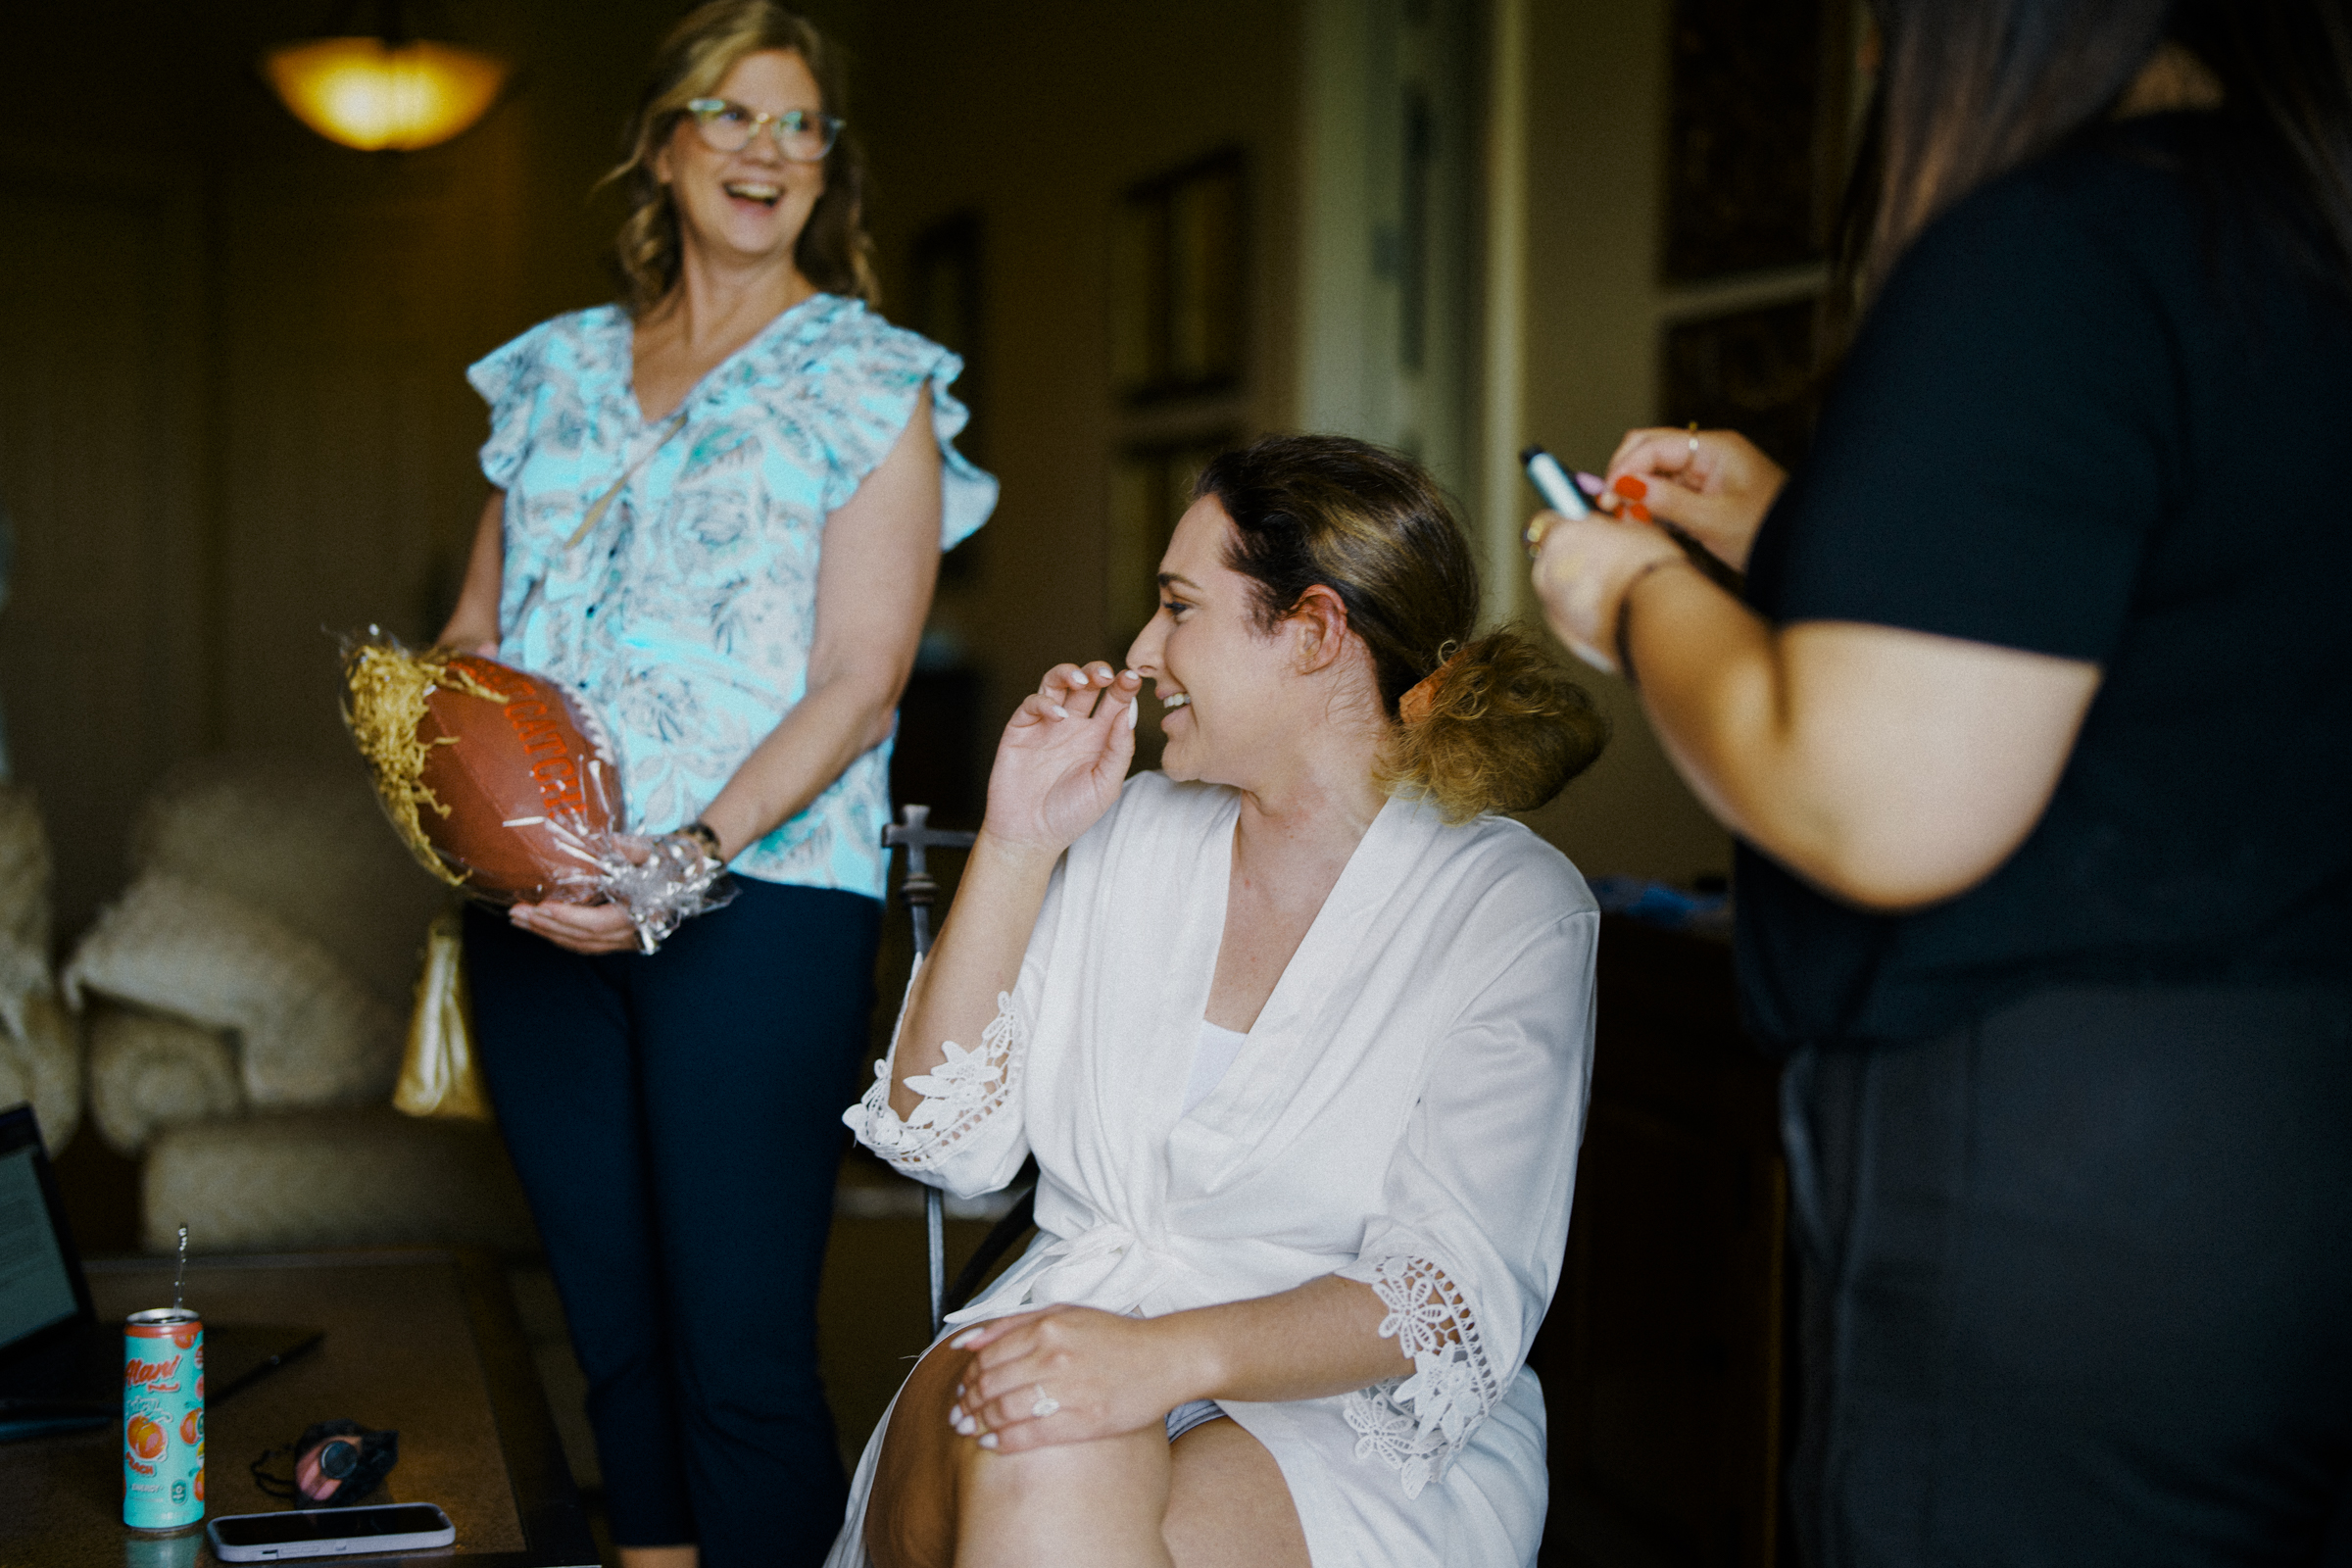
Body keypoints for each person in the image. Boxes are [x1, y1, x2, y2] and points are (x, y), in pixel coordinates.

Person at [1528, 2, 2352, 1562]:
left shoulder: (2051, 247)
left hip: (2073, 1193)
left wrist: (1631, 595)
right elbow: (2150, 646)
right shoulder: (2293, 232)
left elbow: (1872, 792)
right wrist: (1807, 539)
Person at [832, 435, 1608, 1568]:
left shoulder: (1510, 908)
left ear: (1314, 633)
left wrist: (1164, 1359)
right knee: (1053, 1434)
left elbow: (1448, 1291)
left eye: (1179, 606)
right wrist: (1015, 841)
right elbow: (946, 1143)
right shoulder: (1133, 832)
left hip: (1343, 1415)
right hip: (1061, 1326)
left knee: (1074, 1466)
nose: (1142, 653)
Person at [433, 5, 995, 1564]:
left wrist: (675, 860)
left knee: (737, 1353)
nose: (765, 150)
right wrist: (474, 807)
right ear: (662, 142)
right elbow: (476, 632)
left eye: (799, 124)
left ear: (830, 168)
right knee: (610, 1336)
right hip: (536, 908)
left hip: (760, 904)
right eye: (730, 115)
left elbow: (859, 679)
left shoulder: (874, 384)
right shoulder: (549, 374)